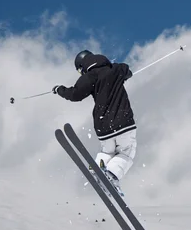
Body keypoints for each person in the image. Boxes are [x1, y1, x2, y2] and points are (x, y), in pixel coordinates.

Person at [52, 50, 137, 195]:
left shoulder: (89, 77)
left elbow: (75, 95)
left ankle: (98, 167)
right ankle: (111, 175)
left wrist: (59, 90)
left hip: (103, 126)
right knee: (126, 153)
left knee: (108, 151)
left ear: (82, 67)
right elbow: (127, 70)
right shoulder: (115, 69)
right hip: (123, 122)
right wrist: (121, 77)